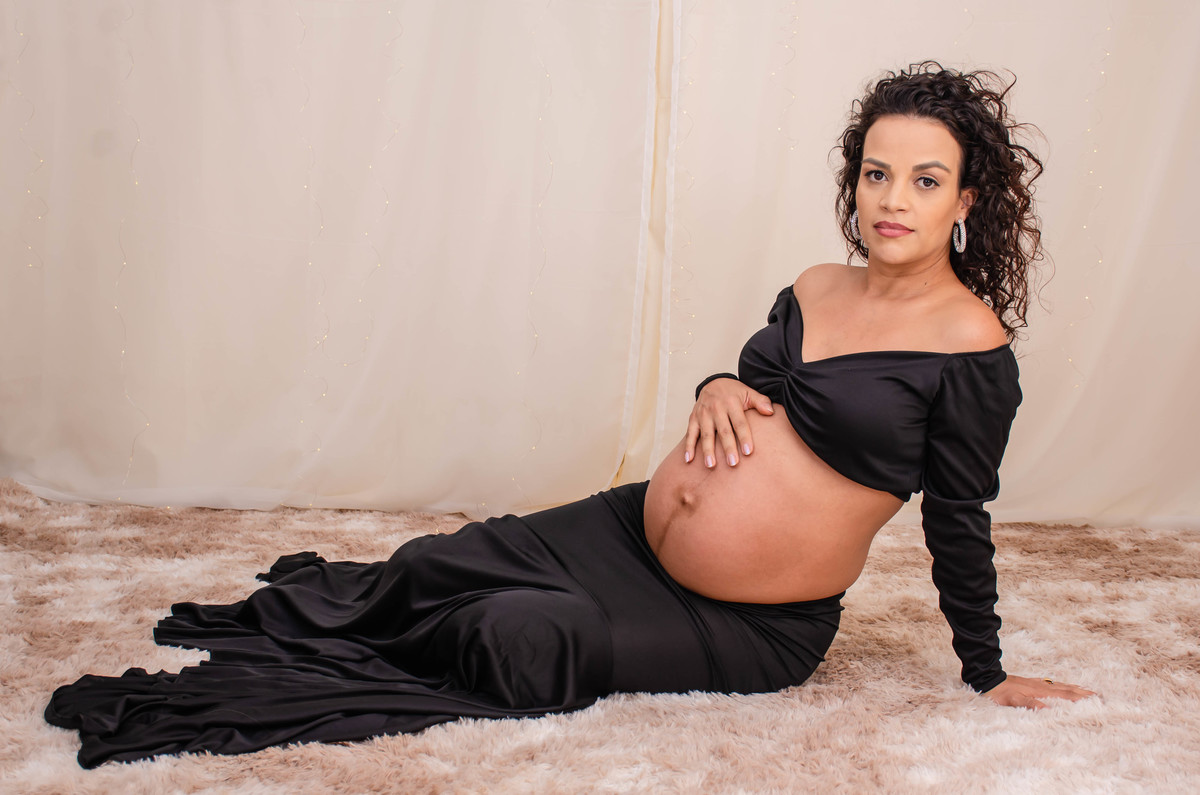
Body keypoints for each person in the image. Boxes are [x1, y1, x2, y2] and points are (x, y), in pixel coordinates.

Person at [46, 62, 1094, 769]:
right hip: (630, 530)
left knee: (516, 638)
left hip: (750, 621)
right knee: (433, 564)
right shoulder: (817, 284)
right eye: (876, 173)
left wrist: (987, 670)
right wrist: (714, 387)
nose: (892, 199)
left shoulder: (971, 352)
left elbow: (959, 516)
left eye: (924, 180)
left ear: (967, 201)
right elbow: (757, 386)